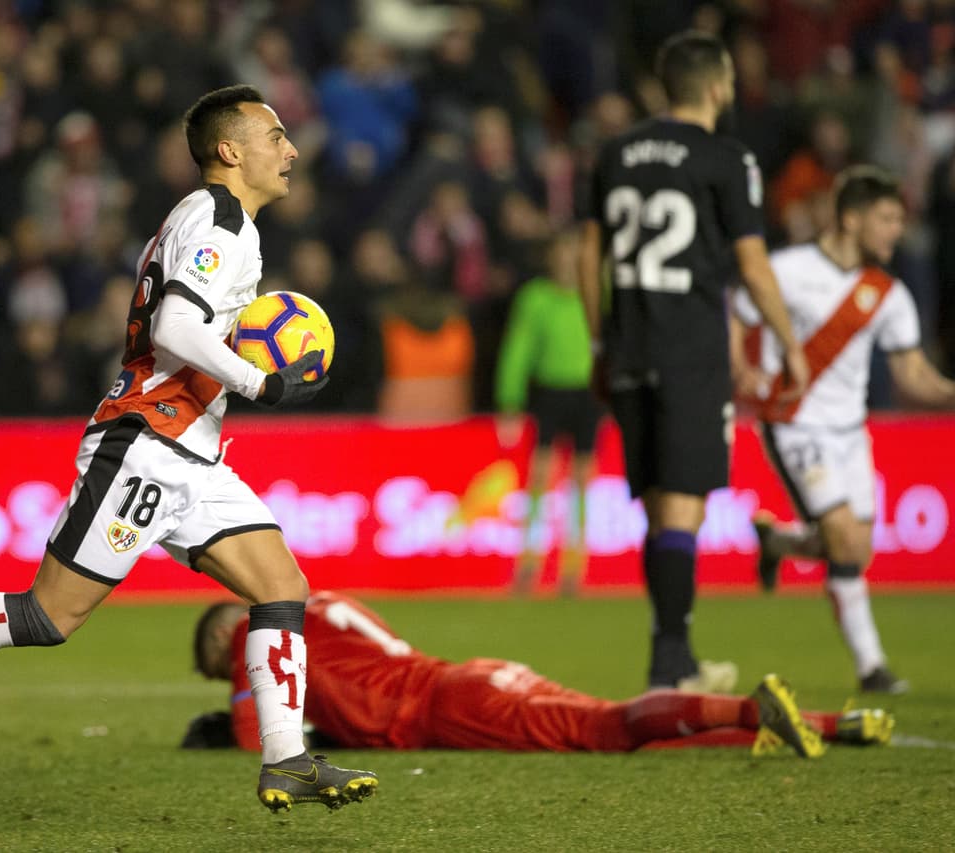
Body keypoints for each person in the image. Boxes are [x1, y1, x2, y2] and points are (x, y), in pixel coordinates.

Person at [0, 85, 378, 814]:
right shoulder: (218, 219)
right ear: (231, 150)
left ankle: (288, 760)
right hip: (145, 442)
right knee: (47, 617)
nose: (292, 149)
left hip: (192, 450)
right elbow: (177, 325)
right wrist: (260, 382)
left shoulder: (226, 222)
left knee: (281, 586)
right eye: (275, 136)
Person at [579, 30, 810, 693]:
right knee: (683, 509)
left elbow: (585, 254)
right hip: (688, 351)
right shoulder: (726, 157)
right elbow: (751, 264)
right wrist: (788, 343)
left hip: (628, 346)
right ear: (716, 86)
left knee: (662, 507)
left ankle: (673, 654)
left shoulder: (615, 152)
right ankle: (671, 663)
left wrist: (600, 342)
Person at [732, 165, 955, 695]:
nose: (896, 230)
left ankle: (780, 543)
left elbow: (913, 376)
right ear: (851, 219)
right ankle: (872, 667)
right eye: (886, 218)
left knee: (854, 550)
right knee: (841, 536)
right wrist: (741, 368)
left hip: (851, 433)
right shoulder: (786, 270)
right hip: (795, 422)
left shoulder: (888, 294)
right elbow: (738, 312)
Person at [185, 592, 894, 757]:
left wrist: (232, 711)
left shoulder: (255, 629)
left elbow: (255, 734)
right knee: (620, 729)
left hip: (449, 707)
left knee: (610, 729)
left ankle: (748, 709)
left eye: (220, 662)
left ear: (226, 633)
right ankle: (836, 723)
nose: (231, 669)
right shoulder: (319, 600)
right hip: (473, 675)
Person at [495, 226, 602, 595]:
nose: (568, 264)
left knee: (582, 483)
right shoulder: (536, 298)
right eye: (562, 256)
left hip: (589, 394)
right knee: (540, 479)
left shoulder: (598, 295)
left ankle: (574, 570)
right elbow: (518, 349)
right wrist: (509, 401)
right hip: (550, 393)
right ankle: (529, 565)